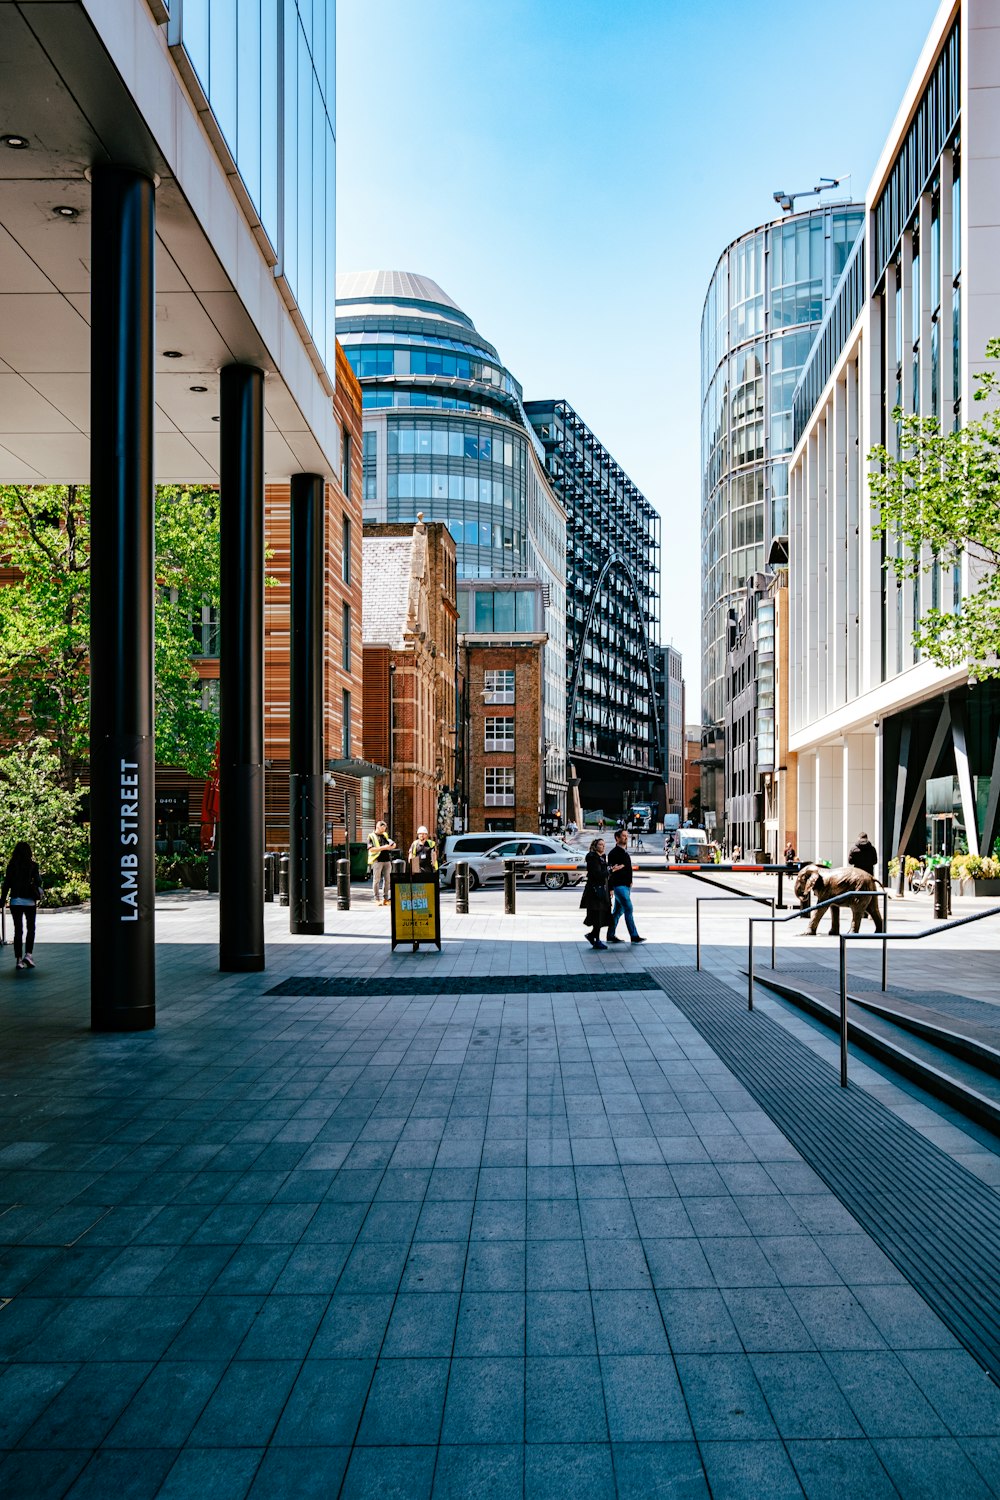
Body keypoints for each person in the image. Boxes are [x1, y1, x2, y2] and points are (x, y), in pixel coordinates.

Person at [1, 841, 43, 971]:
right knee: (31, 928)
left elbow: (6, 884)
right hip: (29, 901)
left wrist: (3, 900)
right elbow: (38, 881)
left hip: (15, 901)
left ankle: (18, 959)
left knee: (18, 930)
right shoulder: (33, 865)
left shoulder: (11, 866)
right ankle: (28, 955)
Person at [606, 828, 645, 944]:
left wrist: (630, 881)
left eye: (626, 836)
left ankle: (610, 935)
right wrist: (611, 888)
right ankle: (634, 936)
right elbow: (611, 872)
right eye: (623, 836)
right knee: (628, 908)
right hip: (619, 886)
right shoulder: (613, 853)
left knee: (617, 912)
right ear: (617, 838)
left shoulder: (624, 852)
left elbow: (627, 868)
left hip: (626, 886)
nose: (626, 838)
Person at [580, 837, 612, 950]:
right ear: (595, 846)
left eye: (604, 845)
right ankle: (596, 939)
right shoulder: (593, 858)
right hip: (595, 892)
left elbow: (605, 874)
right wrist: (611, 870)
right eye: (600, 845)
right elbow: (597, 874)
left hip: (602, 890)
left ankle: (592, 935)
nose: (603, 847)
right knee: (597, 916)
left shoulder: (602, 857)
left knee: (602, 915)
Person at [367, 820, 396, 905]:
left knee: (387, 880)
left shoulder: (385, 835)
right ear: (378, 827)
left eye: (385, 828)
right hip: (377, 861)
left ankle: (385, 898)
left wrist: (392, 846)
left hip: (387, 860)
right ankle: (376, 899)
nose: (384, 830)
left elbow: (390, 843)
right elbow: (371, 849)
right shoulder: (371, 836)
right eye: (382, 828)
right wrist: (384, 848)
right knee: (376, 880)